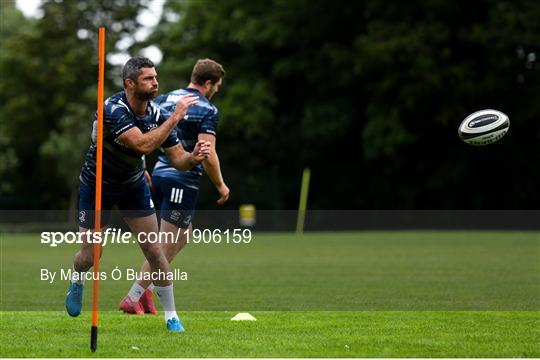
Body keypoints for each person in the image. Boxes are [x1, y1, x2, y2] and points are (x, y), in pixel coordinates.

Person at [65, 57, 211, 332]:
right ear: (130, 83)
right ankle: (77, 279)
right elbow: (143, 144)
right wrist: (176, 117)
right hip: (97, 186)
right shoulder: (113, 109)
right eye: (148, 78)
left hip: (133, 186)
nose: (155, 82)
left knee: (156, 252)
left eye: (155, 77)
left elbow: (177, 158)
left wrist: (193, 157)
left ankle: (172, 317)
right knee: (91, 255)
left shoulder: (156, 114)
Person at [119, 58, 229, 316]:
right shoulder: (207, 109)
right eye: (218, 85)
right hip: (182, 179)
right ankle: (134, 295)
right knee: (165, 243)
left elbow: (143, 134)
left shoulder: (164, 99)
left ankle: (144, 294)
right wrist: (221, 185)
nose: (218, 90)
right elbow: (208, 153)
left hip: (157, 175)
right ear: (209, 83)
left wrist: (142, 167)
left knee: (182, 233)